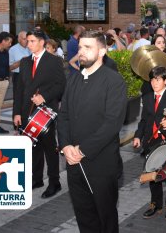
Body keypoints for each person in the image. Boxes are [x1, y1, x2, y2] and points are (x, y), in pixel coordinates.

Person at [57, 30, 127, 233]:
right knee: (84, 216)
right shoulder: (74, 79)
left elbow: (112, 124)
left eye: (88, 47)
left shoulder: (113, 81)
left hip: (102, 164)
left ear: (102, 51)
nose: (82, 52)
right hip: (74, 163)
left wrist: (82, 150)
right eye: (80, 47)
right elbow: (64, 116)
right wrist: (66, 145)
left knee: (105, 218)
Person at [13, 30, 66, 198]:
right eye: (28, 41)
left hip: (46, 112)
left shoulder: (54, 61)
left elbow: (61, 85)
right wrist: (16, 113)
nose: (29, 44)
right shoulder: (25, 62)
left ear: (42, 42)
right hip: (27, 111)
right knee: (33, 147)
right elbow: (19, 89)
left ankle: (54, 182)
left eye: (32, 41)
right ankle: (37, 179)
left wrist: (45, 96)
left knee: (50, 148)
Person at [133, 66, 166, 221]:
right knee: (152, 174)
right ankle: (155, 204)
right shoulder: (147, 97)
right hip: (151, 141)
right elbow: (143, 120)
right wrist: (137, 136)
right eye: (152, 80)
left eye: (158, 79)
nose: (154, 83)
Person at [8, 31, 31, 103]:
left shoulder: (31, 47)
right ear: (19, 39)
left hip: (30, 75)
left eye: (28, 39)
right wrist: (21, 61)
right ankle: (17, 113)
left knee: (29, 97)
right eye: (24, 39)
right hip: (18, 76)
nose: (27, 41)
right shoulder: (13, 50)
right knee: (18, 98)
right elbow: (10, 67)